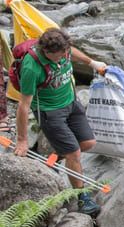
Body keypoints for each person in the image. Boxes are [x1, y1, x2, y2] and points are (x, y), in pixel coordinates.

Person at [13, 28, 107, 215]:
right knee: (74, 154)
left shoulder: (62, 48)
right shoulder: (32, 67)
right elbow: (23, 106)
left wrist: (92, 63)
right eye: (61, 54)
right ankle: (82, 197)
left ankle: (55, 157)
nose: (66, 56)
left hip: (71, 102)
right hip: (50, 112)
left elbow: (72, 52)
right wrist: (22, 140)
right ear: (47, 52)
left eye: (66, 51)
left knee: (88, 143)